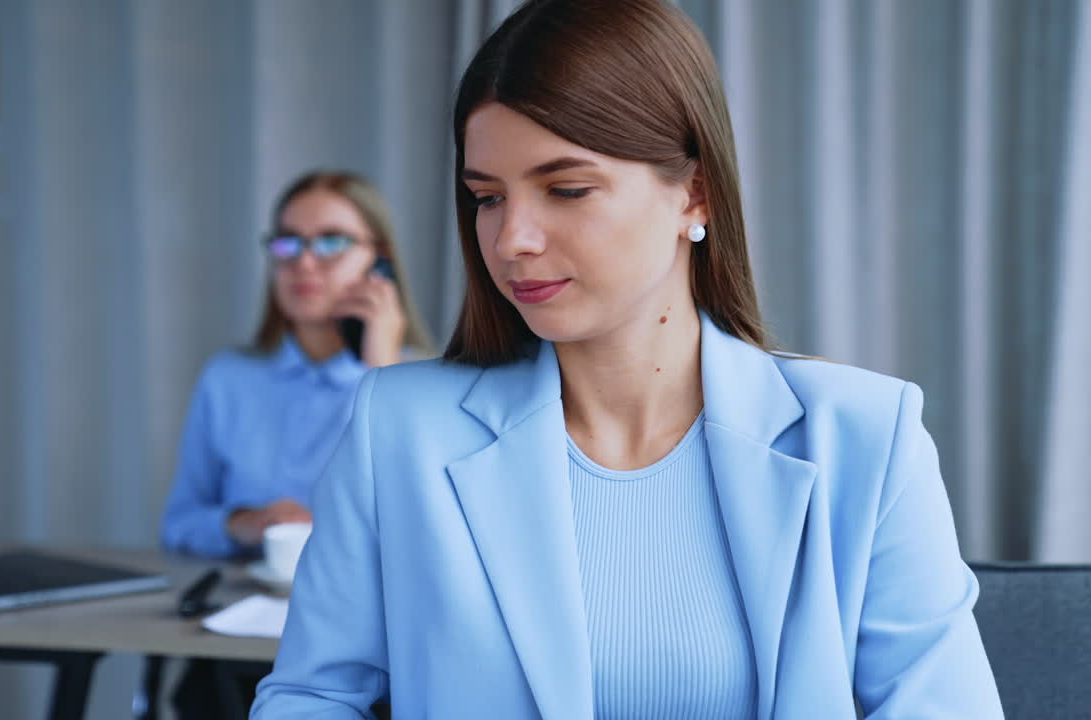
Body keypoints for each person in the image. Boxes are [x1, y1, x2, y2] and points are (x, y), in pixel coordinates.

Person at [251, 1, 1004, 718]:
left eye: (567, 189)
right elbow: (311, 698)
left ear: (695, 197)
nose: (512, 239)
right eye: (487, 197)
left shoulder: (867, 438)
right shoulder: (400, 431)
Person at [157, 170, 431, 718]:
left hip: (371, 655)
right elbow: (179, 523)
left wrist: (382, 363)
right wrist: (243, 523)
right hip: (238, 647)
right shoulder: (230, 378)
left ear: (379, 260)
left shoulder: (427, 381)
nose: (304, 262)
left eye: (331, 241)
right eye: (287, 241)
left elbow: (421, 532)